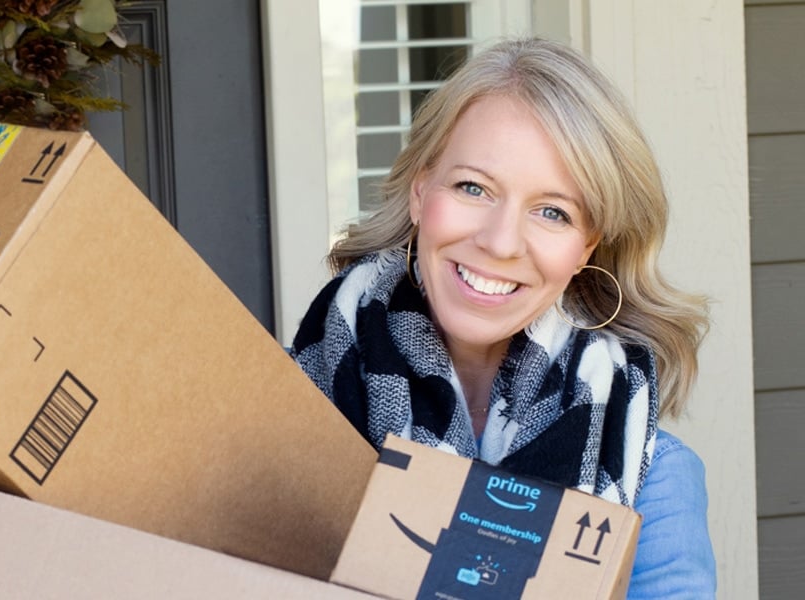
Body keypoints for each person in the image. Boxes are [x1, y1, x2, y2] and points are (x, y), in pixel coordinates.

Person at [291, 38, 715, 598]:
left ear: (587, 246)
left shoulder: (652, 478)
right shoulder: (288, 411)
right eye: (474, 187)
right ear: (422, 193)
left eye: (552, 212)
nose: (500, 241)